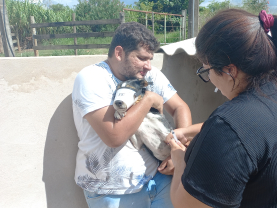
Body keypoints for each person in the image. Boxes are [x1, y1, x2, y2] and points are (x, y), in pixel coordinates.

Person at [167, 9, 277, 208]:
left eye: (206, 69)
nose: (208, 78)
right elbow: (253, 134)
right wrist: (187, 130)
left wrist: (179, 160)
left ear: (229, 70)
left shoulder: (229, 125)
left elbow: (184, 204)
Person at [72, 22, 192, 208]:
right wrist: (149, 99)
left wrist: (177, 153)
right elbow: (114, 136)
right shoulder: (91, 78)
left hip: (159, 181)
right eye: (142, 58)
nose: (148, 66)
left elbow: (180, 108)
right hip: (112, 191)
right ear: (119, 53)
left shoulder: (149, 75)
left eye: (150, 59)